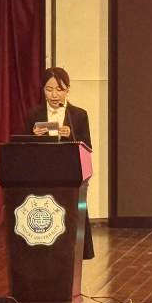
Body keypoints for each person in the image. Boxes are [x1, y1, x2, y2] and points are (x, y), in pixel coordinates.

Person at [25, 67, 95, 259]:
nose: (54, 95)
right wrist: (33, 135)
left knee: (70, 217)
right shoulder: (33, 114)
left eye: (59, 89)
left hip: (69, 176)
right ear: (43, 89)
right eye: (49, 89)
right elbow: (23, 147)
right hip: (42, 175)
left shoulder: (78, 115)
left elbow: (87, 146)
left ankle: (75, 252)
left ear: (67, 90)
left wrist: (71, 135)